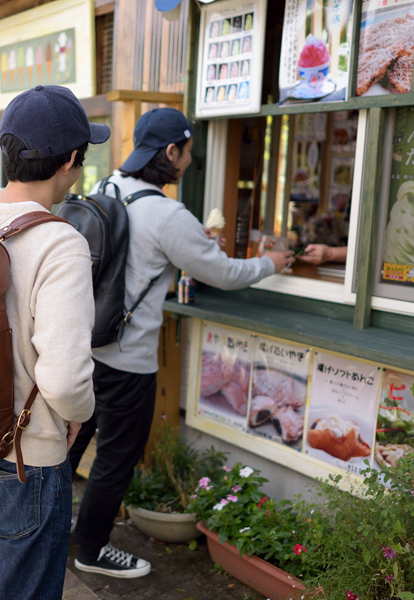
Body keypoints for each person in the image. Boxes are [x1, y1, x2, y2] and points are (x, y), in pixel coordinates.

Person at [68, 107, 292, 578]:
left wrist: (196, 241)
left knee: (69, 448)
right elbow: (226, 273)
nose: (190, 160)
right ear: (171, 152)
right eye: (188, 151)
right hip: (128, 363)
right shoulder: (169, 214)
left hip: (85, 348)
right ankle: (90, 551)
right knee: (115, 461)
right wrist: (271, 262)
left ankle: (44, 534)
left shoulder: (108, 188)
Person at [0, 85, 104, 600]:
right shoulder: (59, 242)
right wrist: (79, 413)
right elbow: (65, 378)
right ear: (72, 160)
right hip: (25, 459)